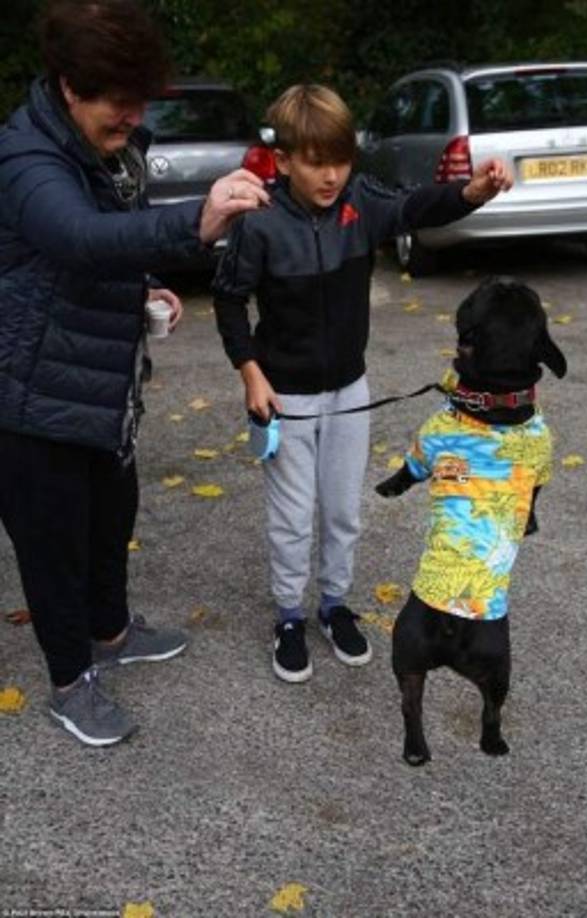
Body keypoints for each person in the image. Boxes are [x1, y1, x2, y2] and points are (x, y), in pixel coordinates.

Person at [0, 0, 269, 746]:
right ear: (68, 87)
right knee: (53, 541)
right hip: (29, 392)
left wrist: (147, 284)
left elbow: (107, 246)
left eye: (139, 99)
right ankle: (69, 681)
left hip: (98, 382)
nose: (133, 115)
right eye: (117, 101)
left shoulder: (109, 151)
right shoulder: (26, 158)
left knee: (110, 514)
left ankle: (111, 633)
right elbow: (77, 237)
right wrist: (197, 221)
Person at [213, 84, 513, 684]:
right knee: (293, 517)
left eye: (341, 160)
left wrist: (471, 192)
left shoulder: (360, 202)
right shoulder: (260, 223)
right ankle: (290, 616)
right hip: (285, 399)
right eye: (315, 162)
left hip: (350, 390)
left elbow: (419, 206)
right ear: (284, 161)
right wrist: (251, 373)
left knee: (343, 510)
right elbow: (228, 298)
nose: (331, 176)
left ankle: (334, 604)